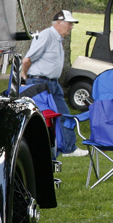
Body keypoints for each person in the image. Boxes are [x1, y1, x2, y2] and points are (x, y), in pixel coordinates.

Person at [21, 9, 87, 157]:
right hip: (39, 82)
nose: (71, 27)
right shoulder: (47, 35)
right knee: (43, 118)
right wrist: (24, 75)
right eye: (69, 23)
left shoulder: (57, 39)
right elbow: (27, 59)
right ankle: (42, 149)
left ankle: (69, 148)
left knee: (64, 114)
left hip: (53, 83)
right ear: (58, 22)